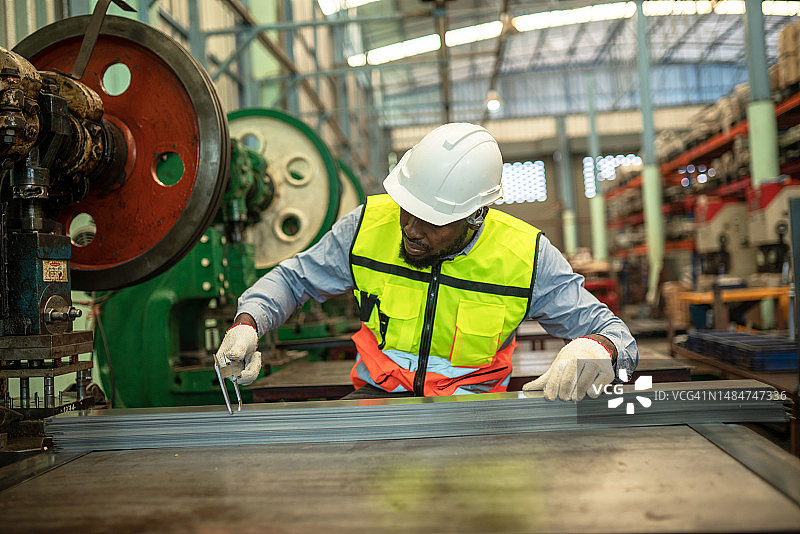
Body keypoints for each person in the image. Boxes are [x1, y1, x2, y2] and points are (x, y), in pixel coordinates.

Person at [215, 122, 638, 402]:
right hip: (376, 402)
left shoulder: (526, 256)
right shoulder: (366, 226)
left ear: (476, 215)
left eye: (434, 221)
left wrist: (595, 347)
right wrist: (248, 322)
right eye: (407, 208)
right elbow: (294, 279)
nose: (412, 230)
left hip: (479, 416)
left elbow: (616, 337)